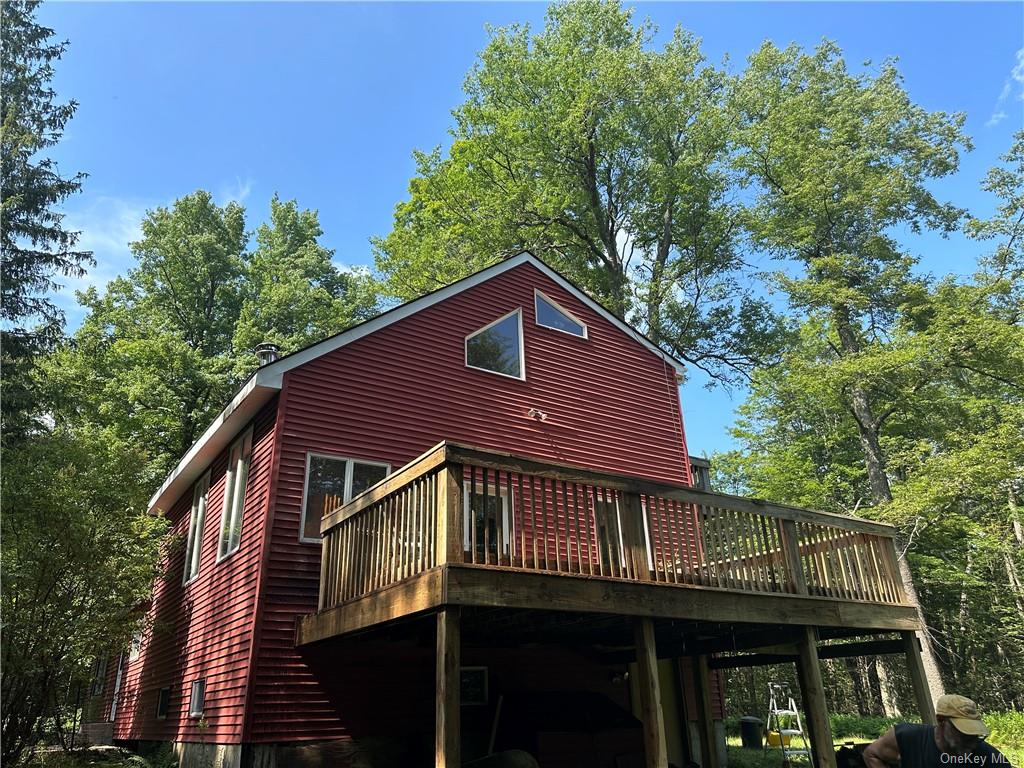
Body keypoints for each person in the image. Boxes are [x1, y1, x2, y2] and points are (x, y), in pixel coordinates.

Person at [863, 694, 1012, 767]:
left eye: (975, 734)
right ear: (941, 721)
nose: (971, 741)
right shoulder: (907, 738)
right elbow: (871, 754)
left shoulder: (988, 757)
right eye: (964, 733)